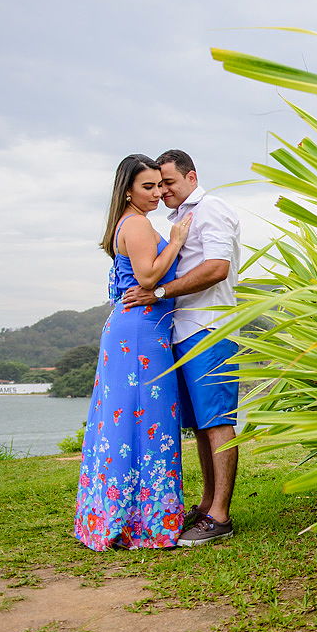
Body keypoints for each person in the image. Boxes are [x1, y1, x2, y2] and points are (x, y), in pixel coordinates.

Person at [122, 149, 241, 547]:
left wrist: (158, 291)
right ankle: (207, 506)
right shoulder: (177, 220)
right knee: (200, 426)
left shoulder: (211, 208)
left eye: (169, 182)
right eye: (157, 183)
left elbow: (217, 267)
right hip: (183, 333)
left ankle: (220, 516)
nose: (163, 190)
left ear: (192, 176)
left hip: (210, 329)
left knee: (219, 422)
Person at [75, 154, 192, 550]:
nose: (158, 193)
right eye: (148, 186)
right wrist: (175, 242)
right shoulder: (138, 223)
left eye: (160, 185)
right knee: (146, 422)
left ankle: (114, 516)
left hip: (133, 330)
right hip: (141, 333)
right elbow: (147, 276)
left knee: (125, 421)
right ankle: (144, 523)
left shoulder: (126, 223)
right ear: (127, 190)